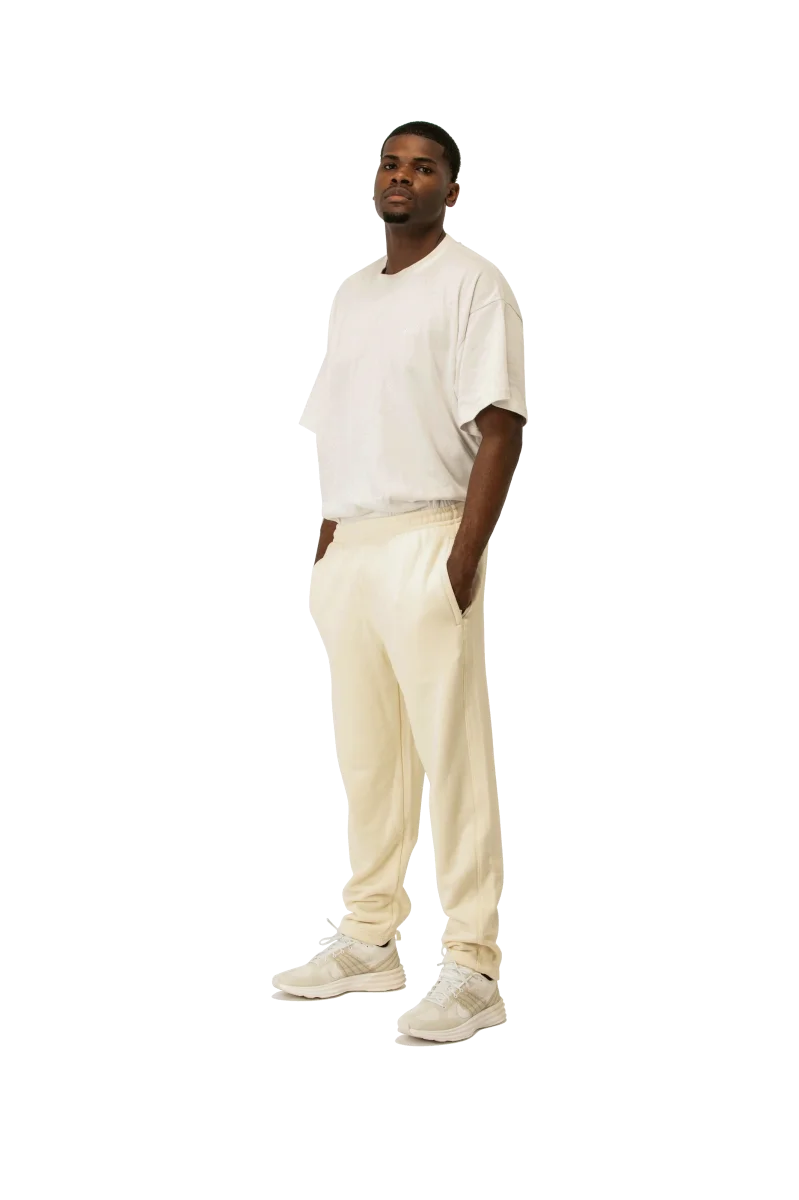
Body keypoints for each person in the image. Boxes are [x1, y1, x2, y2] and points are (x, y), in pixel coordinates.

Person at [280, 121, 526, 1042]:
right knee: (369, 757)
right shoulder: (352, 294)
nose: (401, 177)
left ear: (450, 192)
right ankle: (370, 937)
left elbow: (500, 423)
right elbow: (348, 419)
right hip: (353, 545)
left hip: (430, 535)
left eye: (423, 169)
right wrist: (329, 534)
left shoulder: (471, 281)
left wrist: (460, 560)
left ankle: (471, 964)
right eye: (390, 164)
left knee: (452, 759)